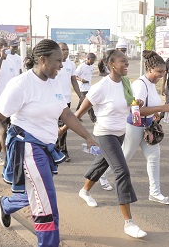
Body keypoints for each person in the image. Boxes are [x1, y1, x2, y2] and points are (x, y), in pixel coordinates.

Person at [0, 39, 97, 247]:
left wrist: (88, 136)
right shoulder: (21, 85)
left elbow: (66, 113)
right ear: (42, 60)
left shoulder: (53, 82)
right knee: (46, 201)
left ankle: (6, 204)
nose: (62, 65)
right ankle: (48, 243)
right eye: (58, 60)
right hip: (27, 147)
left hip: (46, 148)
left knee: (34, 195)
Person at [60, 49, 147, 239]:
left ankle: (84, 190)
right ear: (111, 65)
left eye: (126, 61)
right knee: (122, 171)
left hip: (120, 133)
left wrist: (136, 103)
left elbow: (129, 103)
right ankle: (129, 223)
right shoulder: (100, 87)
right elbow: (79, 113)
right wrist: (61, 130)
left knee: (103, 163)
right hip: (104, 134)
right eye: (123, 61)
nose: (126, 64)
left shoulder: (125, 82)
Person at [99, 50, 169, 204]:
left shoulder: (151, 84)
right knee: (124, 157)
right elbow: (136, 110)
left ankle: (155, 193)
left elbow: (149, 106)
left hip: (148, 127)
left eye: (163, 72)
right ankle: (102, 175)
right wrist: (161, 108)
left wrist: (155, 113)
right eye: (159, 72)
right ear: (149, 69)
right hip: (134, 126)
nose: (161, 75)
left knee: (154, 158)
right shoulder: (140, 84)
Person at [55, 42, 81, 162]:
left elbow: (74, 81)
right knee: (55, 126)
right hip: (54, 99)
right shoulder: (54, 63)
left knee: (64, 127)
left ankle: (62, 151)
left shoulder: (71, 64)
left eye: (67, 49)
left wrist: (81, 96)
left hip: (66, 100)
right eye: (63, 49)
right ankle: (56, 150)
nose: (66, 51)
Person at [75, 52, 97, 123]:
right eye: (92, 60)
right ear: (87, 59)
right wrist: (81, 80)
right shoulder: (81, 67)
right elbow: (74, 76)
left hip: (89, 88)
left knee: (81, 103)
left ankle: (75, 117)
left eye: (94, 60)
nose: (93, 62)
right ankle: (94, 119)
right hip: (82, 88)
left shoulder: (91, 66)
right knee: (88, 104)